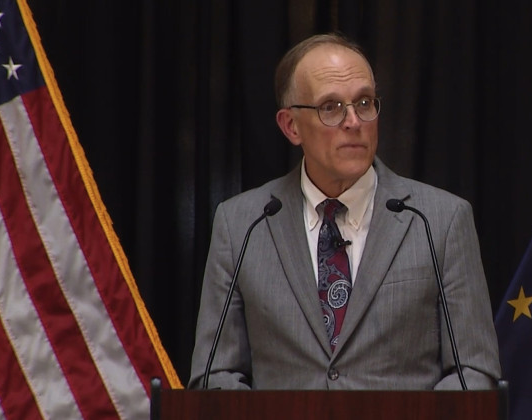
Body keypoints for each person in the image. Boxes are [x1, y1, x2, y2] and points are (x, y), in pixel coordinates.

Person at [188, 33, 501, 390]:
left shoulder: (439, 220)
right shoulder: (242, 224)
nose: (354, 121)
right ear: (291, 126)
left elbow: (473, 373)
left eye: (364, 103)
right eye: (331, 107)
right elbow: (215, 375)